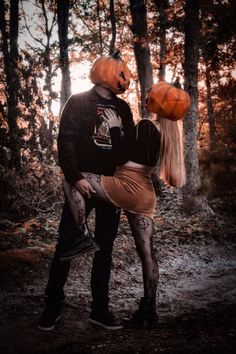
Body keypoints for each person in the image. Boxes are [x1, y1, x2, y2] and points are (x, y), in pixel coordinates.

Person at [59, 100, 187, 327]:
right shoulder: (171, 137)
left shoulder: (146, 126)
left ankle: (81, 234)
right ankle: (149, 309)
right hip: (145, 193)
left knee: (73, 178)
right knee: (147, 253)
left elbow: (118, 157)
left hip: (124, 185)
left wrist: (116, 126)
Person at [38, 53, 134, 331]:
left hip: (110, 185)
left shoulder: (123, 109)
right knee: (66, 244)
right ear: (106, 73)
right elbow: (65, 141)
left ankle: (100, 310)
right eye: (121, 72)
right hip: (80, 184)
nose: (125, 77)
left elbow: (126, 150)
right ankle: (51, 307)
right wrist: (76, 178)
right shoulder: (78, 102)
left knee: (105, 248)